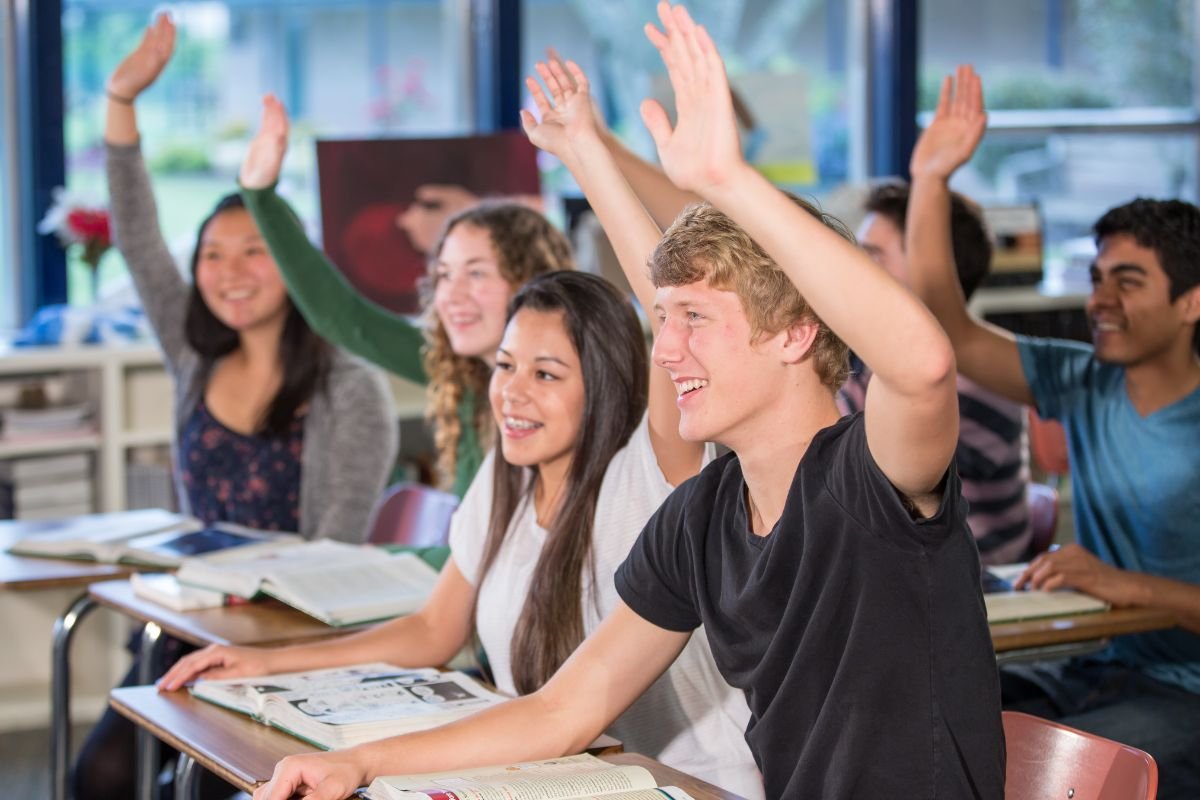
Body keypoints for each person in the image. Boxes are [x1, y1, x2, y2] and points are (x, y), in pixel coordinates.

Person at [245, 5, 1003, 799]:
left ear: (795, 335)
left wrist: (727, 182)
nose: (665, 348)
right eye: (663, 324)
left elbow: (921, 365)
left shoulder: (869, 476)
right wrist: (360, 762)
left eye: (696, 324)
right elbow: (561, 711)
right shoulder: (703, 516)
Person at [161, 269, 762, 798]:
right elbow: (432, 629)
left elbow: (661, 297)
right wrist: (267, 665)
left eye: (546, 374)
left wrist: (584, 148)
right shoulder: (511, 472)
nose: (512, 393)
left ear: (604, 386)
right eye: (505, 366)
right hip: (555, 773)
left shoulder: (649, 471)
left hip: (683, 783)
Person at [74, 16, 396, 800]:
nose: (232, 272)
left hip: (290, 651)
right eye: (213, 255)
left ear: (291, 263)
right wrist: (121, 99)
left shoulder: (350, 392)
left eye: (256, 250)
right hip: (189, 633)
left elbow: (332, 561)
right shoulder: (194, 358)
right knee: (104, 777)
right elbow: (141, 236)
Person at [904, 63, 1200, 799]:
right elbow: (947, 330)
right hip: (1092, 667)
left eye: (1126, 283)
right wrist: (930, 179)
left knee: (1052, 777)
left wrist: (1124, 585)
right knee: (921, 725)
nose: (1099, 300)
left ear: (1192, 303)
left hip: (1183, 694)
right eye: (1097, 279)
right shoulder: (1083, 378)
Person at [239, 97, 575, 496]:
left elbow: (496, 557)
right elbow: (344, 319)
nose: (452, 295)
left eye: (477, 273)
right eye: (444, 275)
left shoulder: (562, 402)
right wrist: (260, 195)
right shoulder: (465, 374)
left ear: (530, 281)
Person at [840, 181, 1033, 564]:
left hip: (972, 589)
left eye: (874, 255)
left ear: (935, 269)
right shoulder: (873, 357)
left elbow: (861, 485)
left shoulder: (970, 382)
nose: (855, 269)